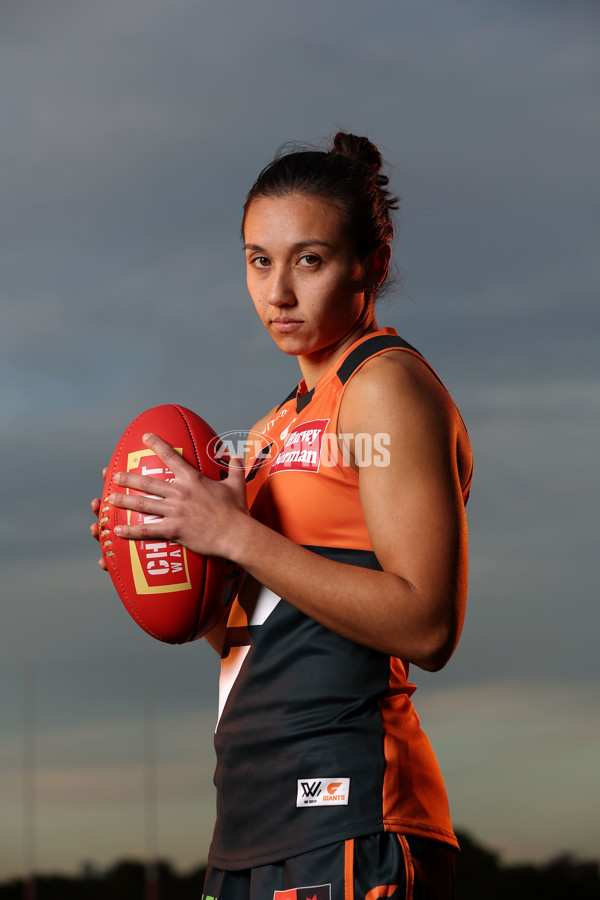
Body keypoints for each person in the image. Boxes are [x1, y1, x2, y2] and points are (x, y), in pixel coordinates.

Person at [91, 132, 473, 900]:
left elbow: (428, 625)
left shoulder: (382, 387)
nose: (278, 293)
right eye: (258, 261)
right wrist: (169, 556)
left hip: (348, 808)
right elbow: (273, 638)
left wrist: (231, 533)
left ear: (372, 263)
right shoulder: (268, 431)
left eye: (309, 259)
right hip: (250, 818)